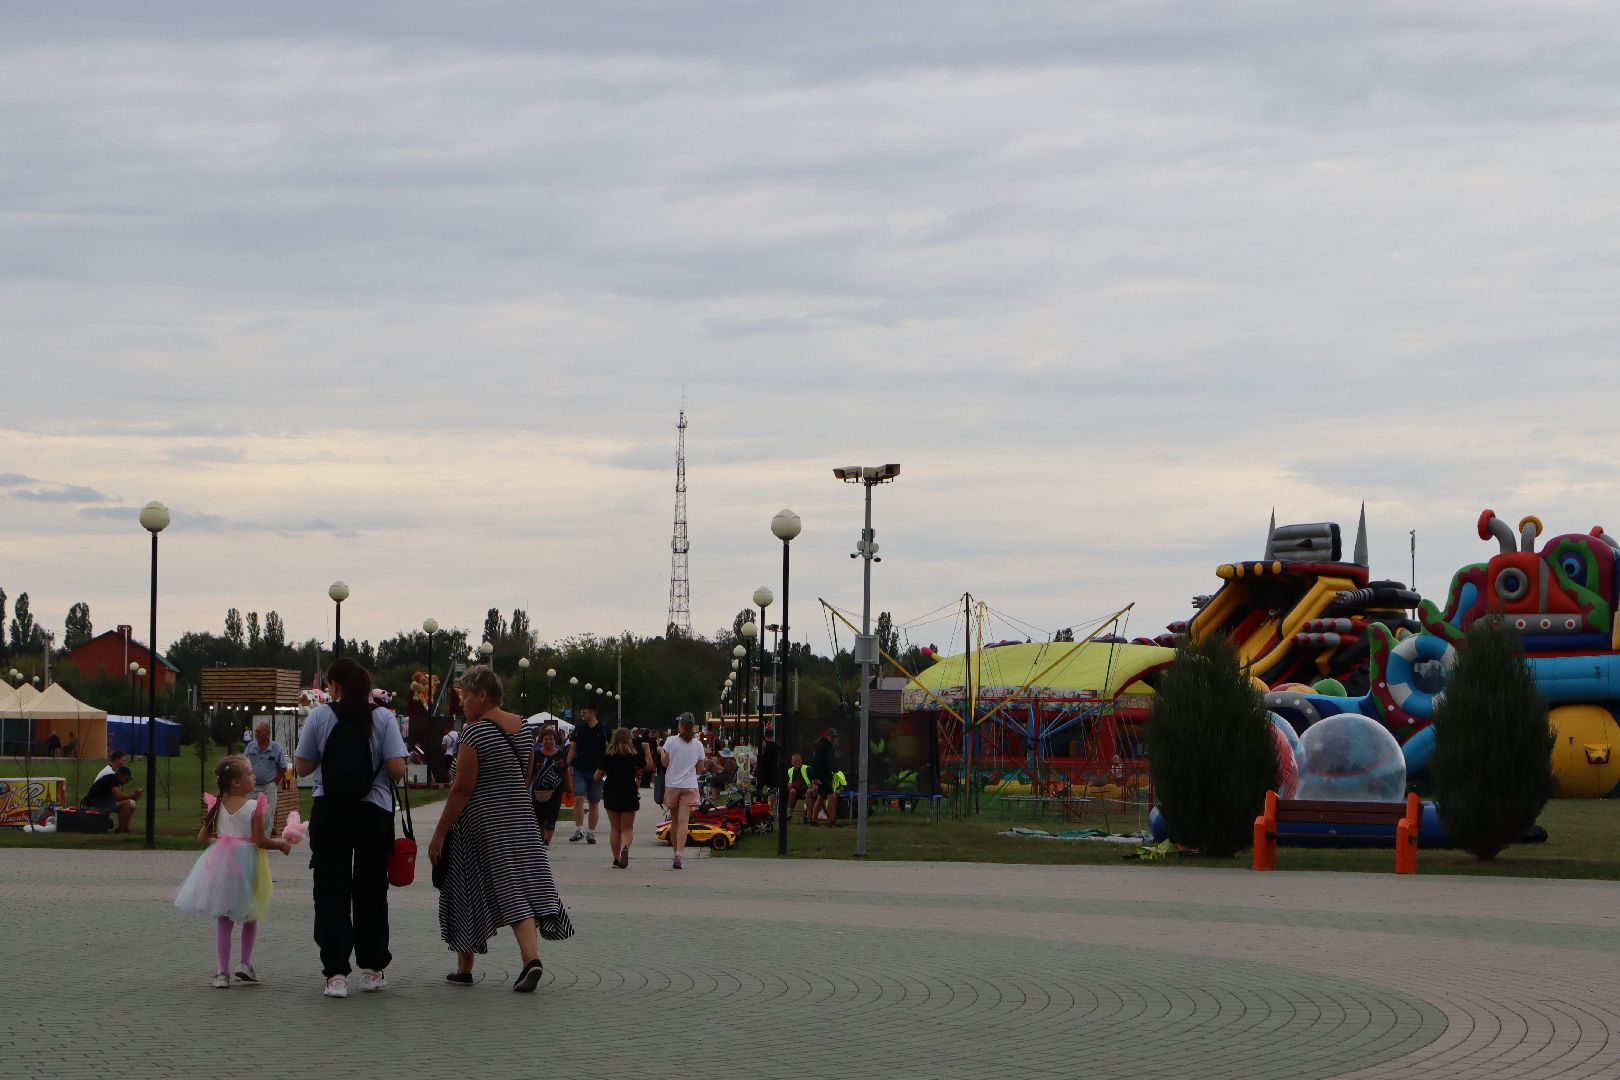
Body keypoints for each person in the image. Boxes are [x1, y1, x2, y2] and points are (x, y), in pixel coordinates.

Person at [429, 666, 573, 991]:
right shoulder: (522, 727)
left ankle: (465, 968)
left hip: (481, 822)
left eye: (465, 696)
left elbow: (462, 789)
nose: (462, 703)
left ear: (482, 695)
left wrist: (439, 833)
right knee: (521, 886)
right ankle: (530, 959)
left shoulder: (475, 733)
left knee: (465, 886)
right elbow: (525, 776)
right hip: (521, 818)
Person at [293, 657, 408, 999]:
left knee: (331, 891)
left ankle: (336, 974)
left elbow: (302, 767)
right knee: (371, 890)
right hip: (373, 813)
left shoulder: (319, 716)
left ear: (334, 686)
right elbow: (397, 769)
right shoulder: (383, 717)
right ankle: (372, 969)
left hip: (330, 812)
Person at [174, 755, 292, 987]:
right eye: (249, 773)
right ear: (236, 783)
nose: (254, 776)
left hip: (223, 863)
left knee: (224, 916)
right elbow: (259, 840)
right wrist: (281, 845)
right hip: (249, 862)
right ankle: (245, 963)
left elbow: (202, 837)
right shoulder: (254, 806)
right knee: (251, 913)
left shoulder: (216, 805)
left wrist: (222, 843)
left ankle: (222, 973)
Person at [596, 726, 653, 868]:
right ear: (629, 740)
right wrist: (647, 751)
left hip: (611, 792)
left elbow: (597, 777)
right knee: (627, 828)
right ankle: (625, 847)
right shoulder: (633, 756)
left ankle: (616, 859)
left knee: (615, 828)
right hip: (629, 792)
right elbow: (649, 767)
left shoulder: (608, 756)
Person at [659, 714, 709, 870]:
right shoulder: (698, 745)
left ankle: (675, 852)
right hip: (689, 785)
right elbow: (700, 769)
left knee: (674, 821)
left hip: (672, 785)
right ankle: (679, 854)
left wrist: (661, 752)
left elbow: (665, 763)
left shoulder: (671, 741)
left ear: (680, 726)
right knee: (683, 822)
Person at [565, 704, 607, 845]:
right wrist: (566, 765)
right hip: (580, 769)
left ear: (593, 712)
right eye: (582, 711)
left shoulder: (603, 729)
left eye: (585, 711)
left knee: (594, 802)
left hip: (597, 770)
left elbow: (608, 749)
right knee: (578, 798)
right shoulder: (579, 728)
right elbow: (573, 748)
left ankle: (591, 832)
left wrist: (607, 767)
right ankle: (579, 829)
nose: (582, 713)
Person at [243, 721, 289, 835]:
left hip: (269, 787)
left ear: (268, 734)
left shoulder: (276, 748)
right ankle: (250, 838)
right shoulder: (250, 746)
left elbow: (283, 767)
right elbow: (243, 763)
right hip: (252, 786)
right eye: (256, 731)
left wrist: (274, 783)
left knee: (267, 815)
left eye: (259, 732)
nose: (256, 734)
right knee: (248, 812)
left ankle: (265, 839)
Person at [530, 725, 572, 846]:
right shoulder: (536, 754)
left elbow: (566, 772)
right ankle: (541, 838)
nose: (548, 741)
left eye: (551, 739)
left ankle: (547, 840)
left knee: (551, 815)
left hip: (555, 791)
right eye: (546, 739)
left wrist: (569, 787)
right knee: (539, 816)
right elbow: (529, 772)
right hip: (538, 791)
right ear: (541, 740)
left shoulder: (560, 754)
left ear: (555, 740)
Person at [82, 765, 143, 833]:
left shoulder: (112, 779)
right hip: (94, 806)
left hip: (100, 804)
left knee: (130, 803)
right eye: (126, 778)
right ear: (120, 774)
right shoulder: (112, 779)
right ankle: (121, 831)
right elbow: (118, 797)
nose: (127, 781)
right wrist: (132, 795)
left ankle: (125, 828)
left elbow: (117, 797)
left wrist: (132, 797)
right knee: (126, 804)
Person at [810, 730, 841, 826]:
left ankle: (813, 820)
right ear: (827, 736)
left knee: (820, 797)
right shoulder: (822, 747)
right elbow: (816, 762)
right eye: (832, 737)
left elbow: (830, 761)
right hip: (822, 776)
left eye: (835, 737)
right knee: (831, 796)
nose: (834, 739)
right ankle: (832, 821)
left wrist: (835, 769)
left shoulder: (830, 747)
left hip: (827, 775)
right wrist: (815, 777)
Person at [756, 728, 780, 800]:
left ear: (765, 735)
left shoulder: (763, 744)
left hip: (763, 769)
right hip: (773, 770)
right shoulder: (777, 745)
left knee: (759, 788)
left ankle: (759, 801)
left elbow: (760, 756)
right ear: (773, 735)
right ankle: (771, 805)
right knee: (773, 789)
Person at [786, 753, 811, 820]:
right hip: (795, 790)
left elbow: (814, 780)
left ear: (801, 761)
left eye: (798, 761)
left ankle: (808, 815)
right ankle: (788, 813)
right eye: (795, 761)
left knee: (809, 792)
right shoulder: (790, 770)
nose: (797, 762)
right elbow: (788, 783)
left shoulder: (807, 768)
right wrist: (788, 785)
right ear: (792, 762)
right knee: (792, 791)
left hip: (807, 790)